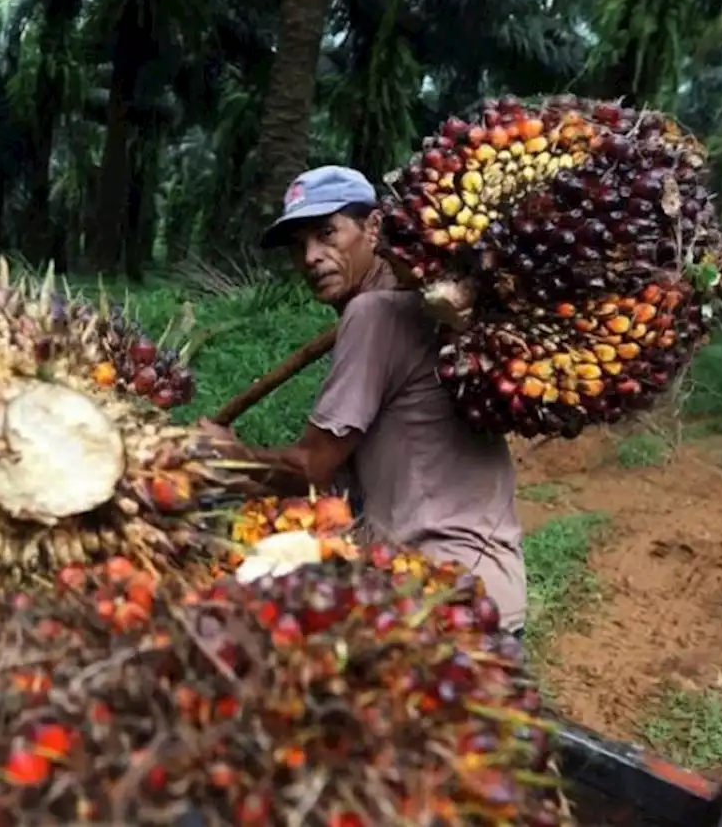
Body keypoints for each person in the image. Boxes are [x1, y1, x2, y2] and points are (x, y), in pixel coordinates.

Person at [214, 165, 526, 637]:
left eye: (326, 233)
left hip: (444, 602)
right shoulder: (416, 309)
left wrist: (230, 460)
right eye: (299, 247)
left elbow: (311, 467)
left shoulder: (374, 314)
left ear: (374, 227)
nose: (312, 257)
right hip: (479, 594)